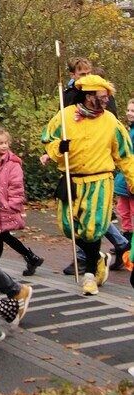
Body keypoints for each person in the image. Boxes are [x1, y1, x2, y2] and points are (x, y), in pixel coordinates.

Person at [42, 75, 134, 295]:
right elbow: (47, 141)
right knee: (68, 228)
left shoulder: (111, 121)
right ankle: (97, 256)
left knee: (92, 229)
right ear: (88, 96)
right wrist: (58, 148)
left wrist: (133, 180)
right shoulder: (64, 117)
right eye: (101, 97)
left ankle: (90, 275)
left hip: (99, 181)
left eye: (106, 97)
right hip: (71, 179)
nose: (105, 101)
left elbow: (125, 155)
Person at [0, 128, 44, 275]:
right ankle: (30, 257)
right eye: (0, 143)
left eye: (6, 143)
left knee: (0, 235)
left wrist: (12, 204)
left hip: (6, 206)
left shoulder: (13, 164)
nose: (4, 146)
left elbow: (17, 187)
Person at [112, 99, 134, 270]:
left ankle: (129, 252)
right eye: (128, 110)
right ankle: (124, 249)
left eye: (133, 111)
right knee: (124, 215)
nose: (129, 113)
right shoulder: (126, 130)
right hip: (122, 181)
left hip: (131, 180)